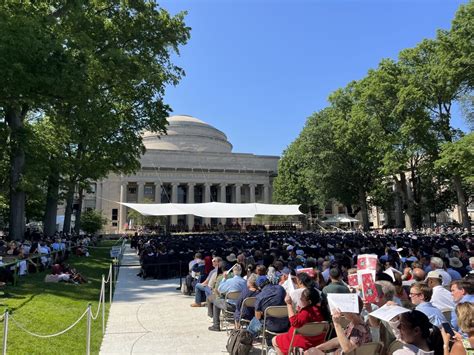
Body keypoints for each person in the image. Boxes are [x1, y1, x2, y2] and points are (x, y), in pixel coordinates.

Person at [305, 297, 371, 355]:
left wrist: (337, 324)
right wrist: (319, 347)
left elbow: (347, 348)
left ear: (350, 312)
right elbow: (340, 340)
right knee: (311, 351)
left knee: (311, 352)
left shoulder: (359, 329)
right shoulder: (355, 324)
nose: (342, 312)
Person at [272, 287, 326, 355]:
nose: (300, 299)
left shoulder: (307, 312)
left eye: (302, 298)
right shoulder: (320, 310)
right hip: (316, 341)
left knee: (274, 340)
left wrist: (289, 304)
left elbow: (294, 322)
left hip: (302, 343)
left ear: (309, 302)